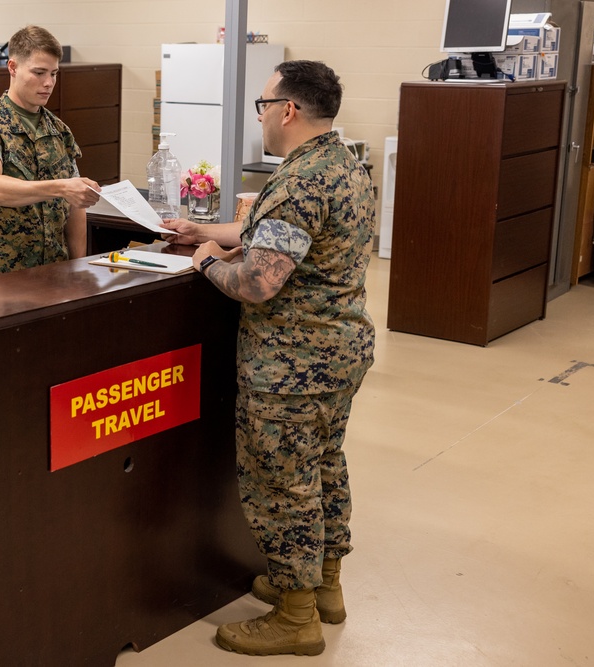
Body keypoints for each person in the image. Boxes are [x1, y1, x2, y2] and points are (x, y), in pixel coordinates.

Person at [161, 60, 375, 657]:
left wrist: (205, 261)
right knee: (324, 465)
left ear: (287, 110)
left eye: (261, 104)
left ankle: (296, 615)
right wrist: (207, 229)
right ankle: (324, 587)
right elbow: (276, 236)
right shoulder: (340, 163)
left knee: (284, 484)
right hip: (340, 351)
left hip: (292, 365)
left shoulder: (301, 180)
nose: (259, 115)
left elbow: (258, 282)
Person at [0, 25, 101, 281]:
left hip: (52, 274)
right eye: (39, 72)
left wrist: (77, 267)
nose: (49, 83)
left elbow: (75, 206)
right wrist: (60, 187)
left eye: (54, 74)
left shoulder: (58, 130)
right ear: (13, 67)